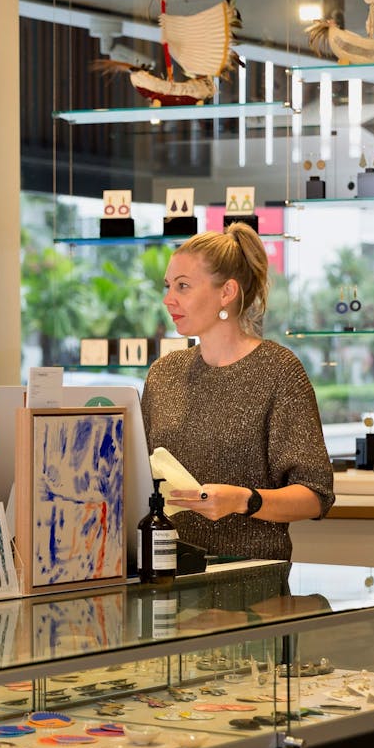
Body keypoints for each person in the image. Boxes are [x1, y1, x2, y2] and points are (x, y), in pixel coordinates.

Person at [141, 222, 334, 560]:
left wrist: (243, 500)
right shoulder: (163, 374)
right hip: (166, 574)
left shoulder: (279, 371)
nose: (168, 299)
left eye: (183, 286)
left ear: (226, 292)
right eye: (168, 286)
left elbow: (315, 495)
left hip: (254, 589)